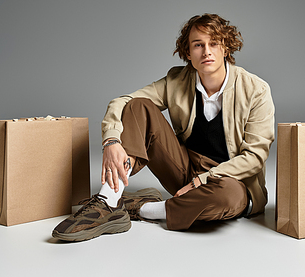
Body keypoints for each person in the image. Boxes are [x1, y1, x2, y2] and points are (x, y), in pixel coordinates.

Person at [52, 13, 275, 241]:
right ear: (188, 53)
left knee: (225, 199)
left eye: (214, 43)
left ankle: (142, 208)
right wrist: (111, 140)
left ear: (225, 48)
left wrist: (203, 180)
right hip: (185, 170)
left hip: (232, 181)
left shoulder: (256, 90)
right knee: (139, 106)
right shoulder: (176, 80)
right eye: (198, 45)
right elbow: (123, 102)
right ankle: (108, 201)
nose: (206, 51)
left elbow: (254, 157)